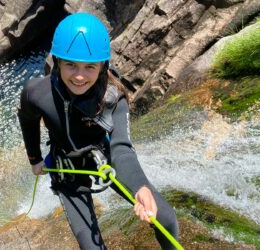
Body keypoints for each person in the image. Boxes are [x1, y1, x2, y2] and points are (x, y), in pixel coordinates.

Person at [18, 12, 179, 249]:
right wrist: (35, 158)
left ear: (103, 65)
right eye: (71, 65)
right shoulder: (36, 92)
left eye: (90, 66)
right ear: (58, 62)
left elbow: (121, 149)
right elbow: (27, 119)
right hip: (68, 169)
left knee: (166, 218)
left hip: (107, 158)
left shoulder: (113, 97)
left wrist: (140, 187)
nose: (80, 76)